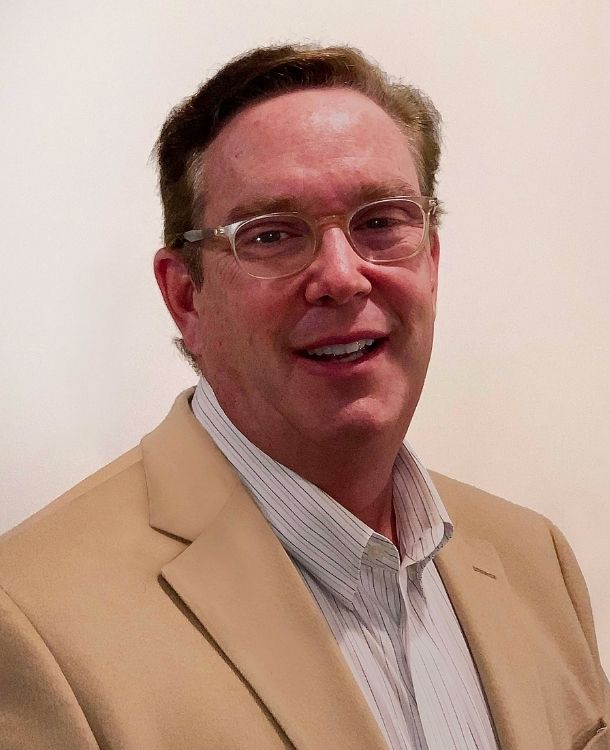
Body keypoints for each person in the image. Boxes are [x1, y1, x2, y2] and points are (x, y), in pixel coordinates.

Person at [0, 44, 608, 750]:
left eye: (380, 223)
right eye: (272, 235)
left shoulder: (537, 560)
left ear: (431, 261)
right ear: (186, 296)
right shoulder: (33, 622)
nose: (342, 277)